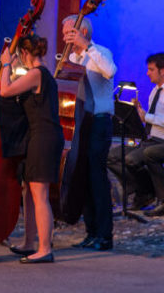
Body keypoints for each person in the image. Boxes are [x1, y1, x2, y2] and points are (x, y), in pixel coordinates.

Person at [0, 33, 64, 264]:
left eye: (20, 55)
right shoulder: (40, 74)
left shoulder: (37, 74)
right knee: (29, 192)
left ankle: (45, 248)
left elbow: (5, 90)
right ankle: (29, 242)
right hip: (40, 136)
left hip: (44, 138)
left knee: (39, 194)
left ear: (25, 53)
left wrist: (6, 64)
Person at [60, 16, 117, 252]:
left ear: (82, 32)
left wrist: (87, 47)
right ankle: (91, 232)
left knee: (97, 177)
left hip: (100, 121)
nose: (65, 38)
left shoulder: (101, 52)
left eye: (69, 33)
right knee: (82, 176)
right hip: (80, 122)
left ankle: (105, 235)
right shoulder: (72, 59)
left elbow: (110, 71)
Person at [109, 52, 164, 216]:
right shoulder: (155, 91)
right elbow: (153, 119)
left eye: (151, 69)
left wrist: (148, 117)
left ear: (163, 70)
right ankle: (144, 191)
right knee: (112, 156)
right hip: (149, 140)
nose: (147, 73)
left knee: (131, 159)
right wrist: (139, 113)